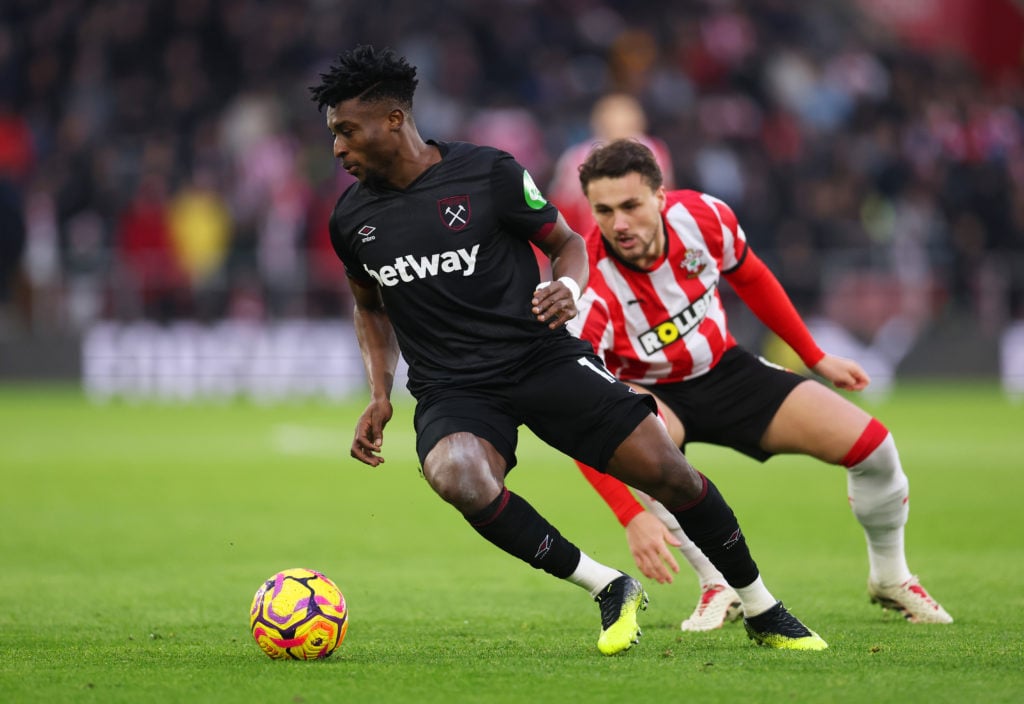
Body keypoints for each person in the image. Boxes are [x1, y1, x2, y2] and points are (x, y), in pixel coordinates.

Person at [309, 45, 827, 655]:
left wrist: (568, 286)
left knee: (669, 472)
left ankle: (763, 606)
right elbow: (370, 307)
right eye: (334, 135)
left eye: (346, 131)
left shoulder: (488, 173)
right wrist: (378, 392)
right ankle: (608, 585)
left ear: (393, 119)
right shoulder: (351, 220)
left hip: (540, 356)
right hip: (455, 389)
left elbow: (568, 242)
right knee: (456, 476)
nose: (338, 148)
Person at [566, 138, 952, 632]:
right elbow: (580, 410)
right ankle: (716, 584)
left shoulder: (705, 217)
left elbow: (751, 277)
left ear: (661, 197)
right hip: (652, 391)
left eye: (631, 206)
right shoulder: (589, 284)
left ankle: (891, 577)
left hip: (728, 370)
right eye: (603, 211)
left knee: (874, 446)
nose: (619, 224)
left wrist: (814, 356)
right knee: (644, 445)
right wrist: (628, 515)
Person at [547, 93, 674, 238]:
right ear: (599, 126)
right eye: (612, 125)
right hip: (596, 242)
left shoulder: (655, 152)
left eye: (625, 125)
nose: (619, 132)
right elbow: (561, 209)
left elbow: (666, 198)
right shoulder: (577, 159)